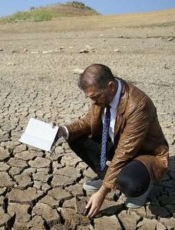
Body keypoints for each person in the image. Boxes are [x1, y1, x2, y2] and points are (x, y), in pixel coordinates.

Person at [54, 64, 169, 218]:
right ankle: (106, 177)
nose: (93, 102)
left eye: (94, 96)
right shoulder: (103, 96)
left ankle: (144, 185)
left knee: (129, 183)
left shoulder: (137, 105)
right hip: (118, 142)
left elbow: (125, 152)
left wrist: (102, 193)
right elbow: (89, 120)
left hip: (143, 154)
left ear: (111, 86)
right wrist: (63, 130)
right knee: (75, 137)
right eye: (90, 97)